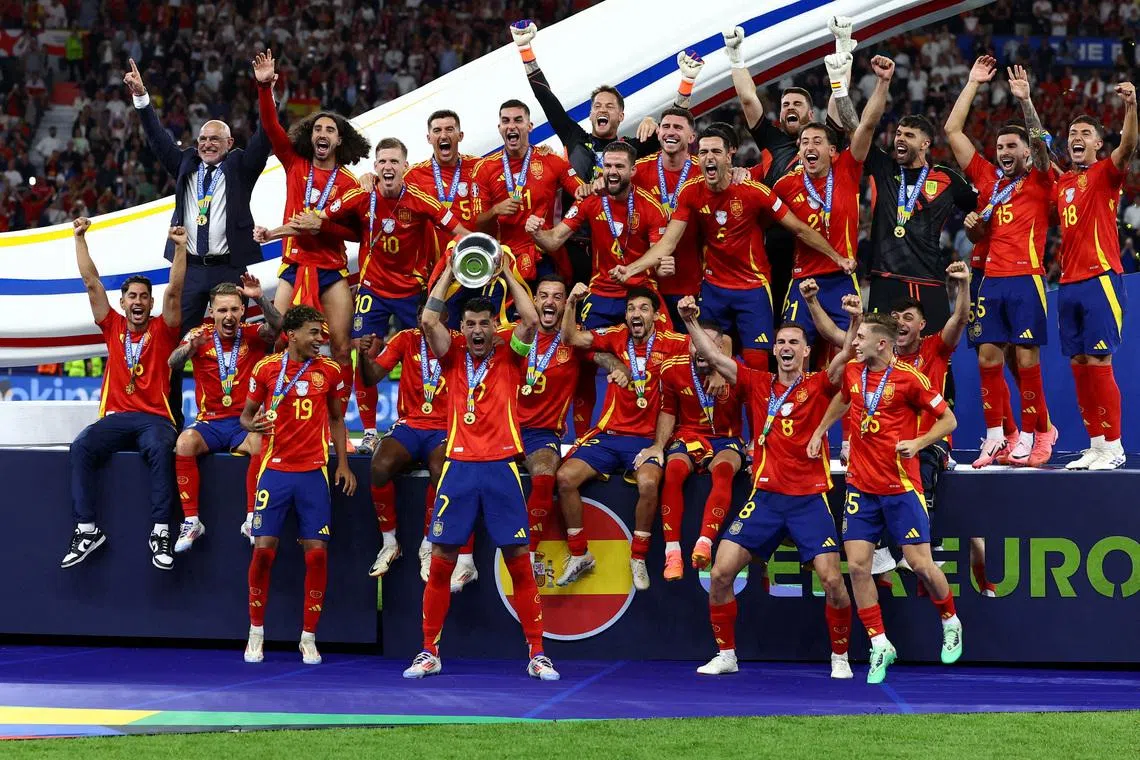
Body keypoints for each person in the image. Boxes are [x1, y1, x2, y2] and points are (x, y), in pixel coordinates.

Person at [678, 295, 859, 679]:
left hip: (809, 500)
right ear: (773, 350)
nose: (786, 348)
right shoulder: (757, 382)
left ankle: (840, 657)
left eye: (794, 342)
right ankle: (726, 654)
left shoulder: (820, 384)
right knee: (721, 572)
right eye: (781, 342)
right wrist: (691, 322)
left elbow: (846, 356)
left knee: (832, 580)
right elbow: (717, 358)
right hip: (765, 498)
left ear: (807, 351)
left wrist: (856, 321)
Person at [402, 250, 559, 682]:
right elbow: (429, 322)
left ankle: (537, 653)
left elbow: (529, 319)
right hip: (458, 468)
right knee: (441, 562)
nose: (476, 331)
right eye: (469, 324)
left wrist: (507, 270)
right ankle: (429, 651)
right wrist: (450, 274)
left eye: (483, 324)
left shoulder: (511, 352)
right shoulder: (449, 353)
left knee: (519, 561)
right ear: (463, 328)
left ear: (494, 327)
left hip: (501, 468)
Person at [808, 313, 964, 684]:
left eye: (860, 337)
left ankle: (950, 620)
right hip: (861, 487)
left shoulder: (911, 380)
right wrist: (821, 430)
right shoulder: (852, 371)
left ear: (881, 343)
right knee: (859, 567)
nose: (854, 342)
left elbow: (949, 421)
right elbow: (843, 401)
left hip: (900, 487)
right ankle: (880, 642)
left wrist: (919, 442)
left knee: (921, 565)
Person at [297, 137, 470, 456]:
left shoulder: (421, 199)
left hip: (411, 292)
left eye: (394, 162)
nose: (388, 167)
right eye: (382, 162)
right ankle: (370, 432)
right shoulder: (362, 196)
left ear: (406, 167)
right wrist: (303, 223)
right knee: (364, 354)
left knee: (432, 355)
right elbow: (325, 215)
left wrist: (479, 250)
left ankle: (441, 421)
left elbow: (459, 231)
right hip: (373, 290)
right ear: (374, 168)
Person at [123, 58, 272, 427]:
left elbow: (266, 135)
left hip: (229, 268)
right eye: (202, 139)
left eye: (214, 139)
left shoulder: (241, 166)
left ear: (229, 143)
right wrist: (142, 97)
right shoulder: (186, 163)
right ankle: (169, 421)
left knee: (247, 341)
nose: (206, 144)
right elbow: (157, 139)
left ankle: (248, 416)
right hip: (188, 270)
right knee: (175, 345)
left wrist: (265, 88)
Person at [631, 126, 848, 371]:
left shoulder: (754, 192)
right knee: (705, 359)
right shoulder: (691, 191)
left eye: (715, 151)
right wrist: (630, 270)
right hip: (713, 287)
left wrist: (836, 256)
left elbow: (799, 228)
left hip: (753, 288)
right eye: (703, 152)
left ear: (729, 156)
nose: (709, 158)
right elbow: (668, 243)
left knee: (757, 365)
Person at [510, 19, 702, 285]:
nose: (602, 109)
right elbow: (548, 101)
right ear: (590, 114)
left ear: (622, 115)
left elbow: (672, 128)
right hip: (573, 242)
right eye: (597, 105)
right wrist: (525, 50)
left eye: (610, 106)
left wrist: (686, 84)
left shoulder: (631, 149)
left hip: (619, 243)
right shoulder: (574, 138)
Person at [945, 58, 1058, 467]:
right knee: (987, 360)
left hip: (1026, 279)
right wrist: (973, 82)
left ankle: (1036, 434)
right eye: (1000, 147)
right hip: (990, 280)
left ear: (1026, 152)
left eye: (1013, 147)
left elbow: (1045, 152)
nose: (1004, 152)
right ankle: (995, 437)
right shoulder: (988, 179)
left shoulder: (1040, 180)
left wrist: (1026, 102)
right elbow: (952, 131)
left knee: (1026, 362)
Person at [61, 219, 187, 571]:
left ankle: (161, 531)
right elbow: (90, 282)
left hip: (155, 420)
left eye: (144, 297)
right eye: (132, 296)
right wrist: (79, 237)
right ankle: (87, 529)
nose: (139, 302)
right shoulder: (112, 324)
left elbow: (175, 291)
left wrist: (179, 248)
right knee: (81, 446)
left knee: (163, 448)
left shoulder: (164, 329)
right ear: (123, 301)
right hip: (115, 417)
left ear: (150, 303)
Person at [251, 49, 369, 419]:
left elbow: (355, 233)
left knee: (339, 345)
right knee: (276, 337)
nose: (322, 133)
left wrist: (325, 226)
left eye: (330, 130)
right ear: (310, 136)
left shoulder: (349, 183)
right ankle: (273, 413)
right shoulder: (294, 163)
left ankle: (340, 422)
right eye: (317, 128)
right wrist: (264, 88)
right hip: (294, 264)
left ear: (339, 142)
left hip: (332, 271)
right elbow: (271, 127)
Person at [527, 140, 670, 436]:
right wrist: (536, 233)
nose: (613, 172)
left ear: (633, 169)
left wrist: (646, 268)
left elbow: (659, 255)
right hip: (602, 292)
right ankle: (582, 437)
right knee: (576, 351)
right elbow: (554, 240)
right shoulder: (590, 201)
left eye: (619, 166)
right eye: (608, 167)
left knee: (666, 358)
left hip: (640, 290)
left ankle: (660, 435)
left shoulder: (651, 206)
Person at [240, 305, 356, 666]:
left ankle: (308, 637)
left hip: (313, 473)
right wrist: (251, 426)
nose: (320, 339)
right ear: (292, 335)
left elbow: (337, 418)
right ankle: (256, 632)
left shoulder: (331, 372)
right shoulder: (266, 368)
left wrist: (344, 464)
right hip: (274, 472)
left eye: (322, 333)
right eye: (313, 333)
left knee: (318, 552)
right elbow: (245, 415)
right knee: (263, 550)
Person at [556, 285, 689, 591]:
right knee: (564, 478)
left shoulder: (674, 344)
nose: (635, 314)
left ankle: (638, 556)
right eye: (631, 309)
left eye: (643, 308)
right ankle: (579, 553)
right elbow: (570, 339)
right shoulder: (617, 337)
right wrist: (573, 304)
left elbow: (714, 345)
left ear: (656, 315)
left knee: (648, 483)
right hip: (609, 435)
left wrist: (718, 369)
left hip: (646, 439)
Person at [723, 19, 855, 328]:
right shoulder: (772, 140)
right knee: (783, 325)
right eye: (785, 104)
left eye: (797, 103)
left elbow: (840, 98)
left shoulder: (825, 137)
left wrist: (842, 48)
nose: (789, 107)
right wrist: (735, 56)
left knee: (832, 330)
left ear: (811, 114)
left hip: (823, 250)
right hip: (780, 245)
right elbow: (748, 99)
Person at [496, 275, 629, 581]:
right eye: (543, 295)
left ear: (566, 304)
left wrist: (619, 368)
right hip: (503, 428)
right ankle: (464, 558)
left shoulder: (573, 341)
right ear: (533, 301)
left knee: (545, 476)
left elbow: (606, 357)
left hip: (542, 433)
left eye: (558, 297)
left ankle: (528, 557)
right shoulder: (513, 334)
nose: (549, 303)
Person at [773, 55, 892, 349]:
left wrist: (883, 82)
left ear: (832, 150)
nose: (809, 147)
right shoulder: (785, 185)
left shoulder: (847, 169)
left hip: (841, 280)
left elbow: (867, 125)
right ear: (798, 152)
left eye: (816, 142)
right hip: (803, 280)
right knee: (792, 349)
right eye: (804, 143)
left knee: (852, 351)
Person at [357, 306, 477, 591]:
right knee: (379, 466)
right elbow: (372, 377)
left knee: (441, 471)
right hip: (410, 424)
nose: (426, 321)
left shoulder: (461, 341)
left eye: (433, 316)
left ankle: (427, 544)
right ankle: (389, 542)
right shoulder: (405, 339)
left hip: (446, 426)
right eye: (423, 316)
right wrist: (364, 355)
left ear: (446, 319)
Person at [167, 277, 282, 553]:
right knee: (184, 443)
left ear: (242, 311)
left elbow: (278, 326)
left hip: (244, 423)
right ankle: (192, 521)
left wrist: (259, 298)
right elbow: (172, 361)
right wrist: (189, 349)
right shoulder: (198, 335)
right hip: (210, 423)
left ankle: (253, 518)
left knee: (260, 442)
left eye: (233, 310)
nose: (228, 316)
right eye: (222, 310)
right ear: (211, 312)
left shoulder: (253, 334)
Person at [1055, 82, 1136, 470]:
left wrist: (1132, 106)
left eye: (1086, 133)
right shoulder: (1063, 183)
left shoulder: (1106, 173)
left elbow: (1129, 148)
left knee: (1100, 363)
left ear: (1099, 145)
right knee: (1080, 366)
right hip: (1068, 283)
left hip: (1100, 277)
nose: (1077, 137)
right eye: (1072, 133)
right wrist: (1023, 101)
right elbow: (1039, 149)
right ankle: (1097, 443)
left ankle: (1115, 446)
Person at [636, 320, 744, 580]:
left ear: (720, 348)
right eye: (696, 344)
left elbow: (757, 407)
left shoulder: (736, 374)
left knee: (725, 470)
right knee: (672, 471)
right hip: (689, 435)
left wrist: (756, 446)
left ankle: (704, 543)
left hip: (725, 438)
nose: (701, 351)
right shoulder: (672, 370)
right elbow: (668, 411)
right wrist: (658, 446)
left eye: (708, 346)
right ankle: (672, 554)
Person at [859, 103, 977, 329]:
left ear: (925, 144)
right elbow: (860, 128)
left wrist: (976, 226)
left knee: (934, 356)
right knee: (882, 354)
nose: (900, 139)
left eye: (909, 135)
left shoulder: (946, 179)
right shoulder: (885, 168)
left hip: (928, 280)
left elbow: (981, 206)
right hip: (886, 279)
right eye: (899, 134)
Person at [472, 99, 585, 283]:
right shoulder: (484, 168)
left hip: (544, 254)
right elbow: (476, 224)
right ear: (499, 127)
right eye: (506, 121)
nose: (511, 126)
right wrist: (495, 211)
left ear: (530, 126)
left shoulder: (551, 160)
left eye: (518, 120)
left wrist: (561, 230)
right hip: (503, 259)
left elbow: (583, 195)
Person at [632, 108, 701, 330]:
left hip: (693, 283)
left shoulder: (703, 172)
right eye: (666, 127)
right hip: (648, 283)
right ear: (658, 131)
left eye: (678, 128)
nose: (671, 132)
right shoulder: (639, 170)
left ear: (691, 138)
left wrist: (740, 172)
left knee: (691, 351)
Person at [404, 110, 483, 269]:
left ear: (460, 135)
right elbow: (386, 186)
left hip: (476, 258)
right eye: (437, 130)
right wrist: (370, 178)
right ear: (429, 138)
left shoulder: (480, 167)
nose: (443, 135)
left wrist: (541, 152)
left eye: (449, 129)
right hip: (434, 268)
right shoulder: (413, 175)